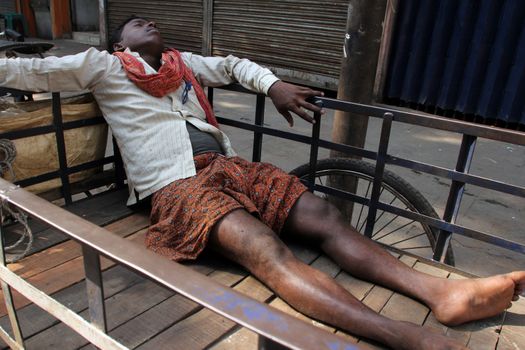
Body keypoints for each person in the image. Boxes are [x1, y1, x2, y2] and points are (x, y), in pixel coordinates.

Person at [1, 15, 523, 350]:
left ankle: (441, 294)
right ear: (121, 43)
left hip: (231, 170)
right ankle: (402, 336)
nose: (147, 20)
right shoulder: (103, 67)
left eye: (152, 18)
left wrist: (272, 85)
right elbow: (27, 74)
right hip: (177, 187)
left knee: (323, 216)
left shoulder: (184, 67)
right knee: (265, 247)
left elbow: (231, 64)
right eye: (136, 22)